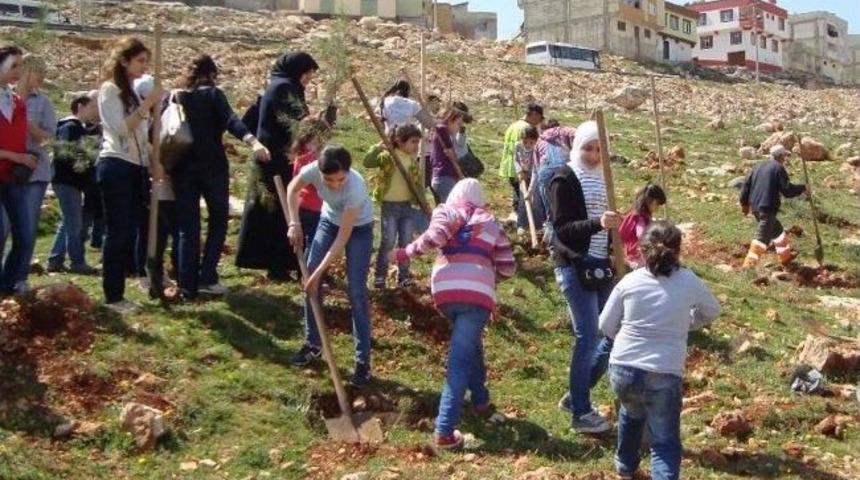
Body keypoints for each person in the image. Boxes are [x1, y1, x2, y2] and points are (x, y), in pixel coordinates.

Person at [391, 179, 515, 450]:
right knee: (459, 360)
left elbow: (434, 238)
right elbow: (508, 267)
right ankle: (444, 431)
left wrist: (404, 253)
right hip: (477, 295)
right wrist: (485, 274)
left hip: (445, 292)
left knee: (469, 344)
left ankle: (480, 400)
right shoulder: (492, 224)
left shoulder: (446, 210)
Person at [600, 221, 721, 480]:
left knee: (631, 413)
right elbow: (713, 310)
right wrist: (687, 322)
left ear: (642, 251)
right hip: (664, 370)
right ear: (678, 251)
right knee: (664, 441)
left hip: (624, 368)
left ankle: (626, 469)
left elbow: (605, 326)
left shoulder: (630, 281)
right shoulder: (689, 280)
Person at [171, 54, 269, 300]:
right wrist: (253, 142)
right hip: (212, 167)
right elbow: (231, 121)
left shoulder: (177, 96)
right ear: (212, 74)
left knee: (187, 228)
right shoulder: (213, 94)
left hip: (181, 167)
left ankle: (186, 286)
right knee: (218, 221)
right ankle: (207, 277)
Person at [548, 120, 620, 434]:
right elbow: (561, 229)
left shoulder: (606, 179)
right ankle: (581, 412)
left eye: (598, 149)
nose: (593, 155)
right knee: (588, 336)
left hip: (603, 265)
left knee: (613, 332)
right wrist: (598, 224)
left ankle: (577, 394)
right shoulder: (563, 177)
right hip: (575, 265)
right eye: (588, 148)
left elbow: (612, 226)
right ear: (577, 148)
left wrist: (617, 250)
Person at [286, 145, 376, 387]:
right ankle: (313, 344)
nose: (334, 184)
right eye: (329, 180)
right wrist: (294, 222)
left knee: (356, 291)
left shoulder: (355, 187)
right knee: (310, 282)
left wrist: (317, 274)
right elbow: (292, 189)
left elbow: (341, 240)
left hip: (358, 230)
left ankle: (362, 362)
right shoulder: (312, 170)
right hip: (328, 221)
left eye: (339, 179)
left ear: (347, 172)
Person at [96, 37, 165, 314]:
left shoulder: (133, 93)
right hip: (116, 165)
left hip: (136, 166)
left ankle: (136, 279)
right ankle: (113, 296)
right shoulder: (109, 90)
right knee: (118, 232)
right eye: (140, 61)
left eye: (147, 61)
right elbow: (121, 129)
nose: (144, 66)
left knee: (134, 228)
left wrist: (153, 161)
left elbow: (140, 135)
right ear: (124, 61)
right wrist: (148, 102)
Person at [237, 51, 319, 282]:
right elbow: (294, 125)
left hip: (273, 158)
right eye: (308, 73)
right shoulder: (284, 89)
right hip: (277, 160)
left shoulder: (278, 85)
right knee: (278, 213)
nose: (309, 78)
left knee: (272, 212)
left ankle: (280, 263)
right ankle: (277, 264)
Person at [7, 54, 55, 293]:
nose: (42, 78)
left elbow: (48, 137)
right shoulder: (6, 97)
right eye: (39, 72)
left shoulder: (44, 102)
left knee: (26, 226)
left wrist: (28, 123)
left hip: (34, 172)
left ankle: (19, 277)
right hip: (7, 170)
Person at [363, 124, 424, 289]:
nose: (416, 146)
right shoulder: (388, 157)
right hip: (390, 206)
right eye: (413, 142)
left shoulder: (412, 161)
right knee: (388, 241)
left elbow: (418, 185)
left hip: (407, 206)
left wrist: (422, 202)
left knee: (406, 242)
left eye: (418, 142)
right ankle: (380, 276)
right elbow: (368, 162)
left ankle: (403, 276)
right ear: (399, 141)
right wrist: (377, 148)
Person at [0, 45, 40, 294]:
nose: (18, 71)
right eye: (13, 65)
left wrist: (27, 157)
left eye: (20, 66)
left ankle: (8, 285)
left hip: (13, 176)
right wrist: (17, 156)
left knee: (25, 235)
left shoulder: (16, 101)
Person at [48, 94, 100, 274]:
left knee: (69, 221)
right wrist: (84, 164)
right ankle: (77, 261)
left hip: (71, 182)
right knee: (74, 223)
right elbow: (65, 155)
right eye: (91, 106)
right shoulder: (70, 126)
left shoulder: (81, 129)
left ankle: (55, 259)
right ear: (80, 106)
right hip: (66, 180)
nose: (94, 110)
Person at [740, 144, 806, 268]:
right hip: (768, 207)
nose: (785, 159)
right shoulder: (778, 168)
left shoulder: (757, 167)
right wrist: (803, 188)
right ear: (780, 156)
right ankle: (748, 267)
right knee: (762, 238)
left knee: (778, 231)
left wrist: (744, 204)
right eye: (785, 156)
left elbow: (745, 187)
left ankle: (785, 257)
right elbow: (787, 190)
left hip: (755, 207)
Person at [499, 103, 544, 223]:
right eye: (539, 118)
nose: (539, 122)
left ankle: (519, 218)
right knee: (522, 195)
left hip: (510, 167)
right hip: (522, 168)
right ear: (534, 115)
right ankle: (522, 220)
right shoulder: (527, 129)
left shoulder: (513, 125)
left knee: (517, 192)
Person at [535, 120, 576, 245]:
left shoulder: (540, 140)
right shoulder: (562, 131)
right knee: (566, 209)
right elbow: (577, 133)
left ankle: (552, 245)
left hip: (545, 174)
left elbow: (537, 166)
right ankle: (566, 241)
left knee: (551, 210)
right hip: (564, 173)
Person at [291, 121, 325, 256]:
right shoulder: (311, 159)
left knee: (307, 242)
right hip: (314, 206)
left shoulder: (300, 156)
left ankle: (305, 272)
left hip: (303, 204)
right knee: (314, 243)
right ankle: (309, 272)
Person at [619, 183, 667, 269]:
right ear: (653, 202)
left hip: (630, 255)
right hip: (638, 260)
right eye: (657, 205)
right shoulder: (641, 218)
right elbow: (641, 234)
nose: (657, 208)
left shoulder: (633, 213)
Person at [513, 125, 545, 238]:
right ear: (521, 139)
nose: (528, 145)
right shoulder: (517, 146)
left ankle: (539, 226)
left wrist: (531, 188)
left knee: (535, 200)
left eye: (531, 142)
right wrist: (519, 171)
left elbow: (536, 169)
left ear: (536, 141)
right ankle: (522, 225)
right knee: (523, 200)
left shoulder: (537, 150)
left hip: (534, 176)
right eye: (525, 141)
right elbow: (515, 160)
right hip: (523, 176)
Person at [430, 107, 465, 204]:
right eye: (458, 123)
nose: (460, 126)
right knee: (448, 211)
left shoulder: (445, 133)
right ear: (450, 121)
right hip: (444, 177)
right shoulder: (442, 129)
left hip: (442, 177)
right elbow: (452, 154)